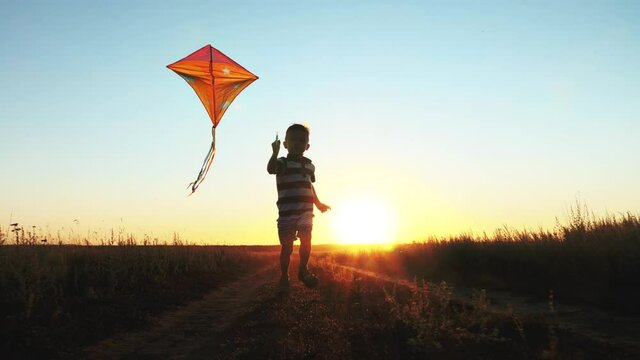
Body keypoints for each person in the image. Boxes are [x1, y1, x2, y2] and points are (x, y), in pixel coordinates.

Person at [267, 124, 330, 293]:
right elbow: (270, 169)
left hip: (305, 211)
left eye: (302, 140)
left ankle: (303, 270)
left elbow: (309, 186)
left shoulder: (310, 166)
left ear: (307, 146)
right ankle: (284, 276)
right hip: (287, 212)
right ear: (285, 144)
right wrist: (274, 153)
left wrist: (318, 203)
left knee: (306, 239)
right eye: (293, 139)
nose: (297, 143)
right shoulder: (282, 162)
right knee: (286, 248)